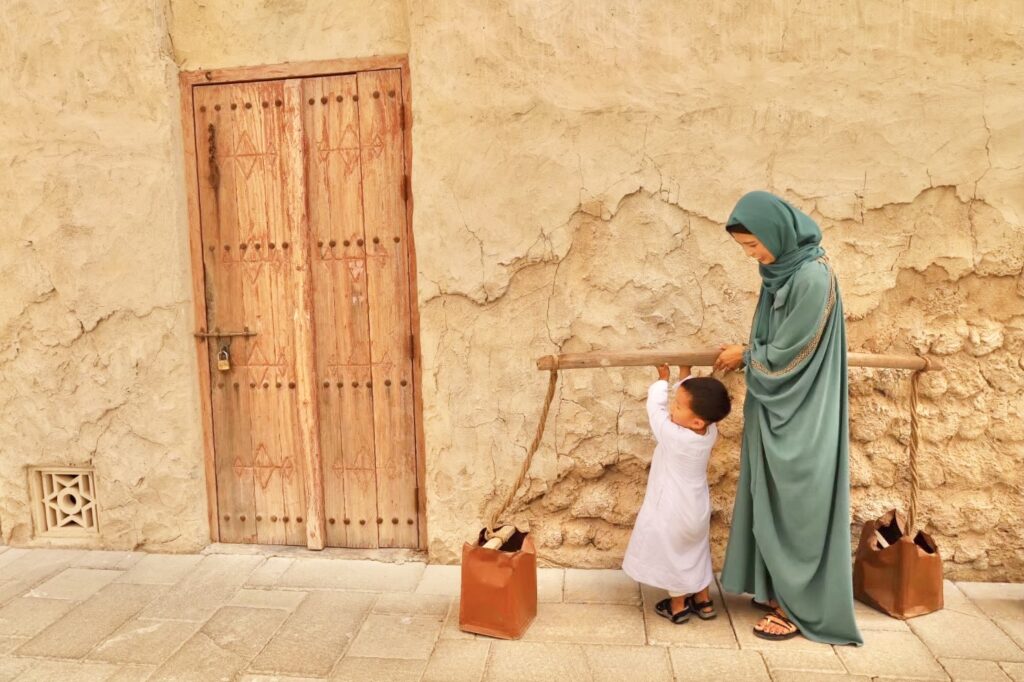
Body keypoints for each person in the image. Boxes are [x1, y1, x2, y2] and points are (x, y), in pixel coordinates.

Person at [714, 190, 863, 645]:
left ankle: (800, 607)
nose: (754, 256)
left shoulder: (811, 277)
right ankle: (776, 589)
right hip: (777, 408)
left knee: (800, 503)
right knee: (771, 496)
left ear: (778, 231)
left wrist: (746, 354)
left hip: (803, 411)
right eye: (747, 250)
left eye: (755, 245)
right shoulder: (780, 272)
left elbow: (791, 354)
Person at [622, 363, 732, 624]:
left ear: (695, 420)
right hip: (696, 508)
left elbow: (654, 411)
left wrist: (662, 381)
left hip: (673, 510)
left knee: (674, 555)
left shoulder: (673, 435)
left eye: (678, 406)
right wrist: (686, 374)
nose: (673, 407)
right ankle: (703, 600)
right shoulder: (709, 431)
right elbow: (694, 399)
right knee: (696, 550)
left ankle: (678, 605)